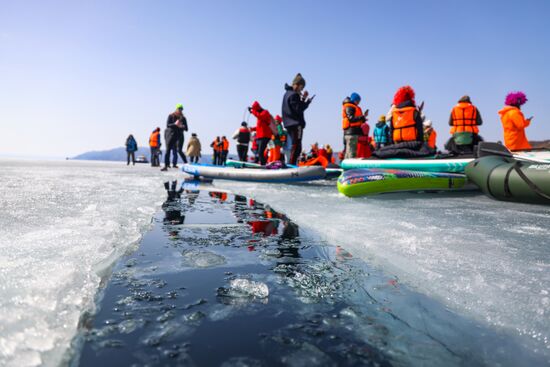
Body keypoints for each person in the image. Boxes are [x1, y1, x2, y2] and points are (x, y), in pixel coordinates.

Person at [281, 73, 314, 165]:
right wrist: (307, 102)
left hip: (289, 123)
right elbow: (299, 109)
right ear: (297, 85)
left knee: (295, 146)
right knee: (296, 147)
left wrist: (303, 98)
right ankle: (291, 166)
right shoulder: (293, 95)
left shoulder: (287, 94)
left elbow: (296, 106)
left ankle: (291, 164)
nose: (302, 90)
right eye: (301, 87)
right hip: (295, 124)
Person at [342, 92, 367, 158]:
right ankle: (351, 167)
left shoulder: (351, 106)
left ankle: (347, 167)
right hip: (351, 132)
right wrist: (361, 117)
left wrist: (363, 118)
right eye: (358, 101)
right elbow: (351, 118)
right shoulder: (350, 106)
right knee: (351, 152)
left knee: (349, 151)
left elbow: (354, 119)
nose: (358, 102)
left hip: (351, 132)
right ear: (355, 100)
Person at [161, 103, 186, 171]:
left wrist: (182, 126)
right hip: (172, 135)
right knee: (168, 149)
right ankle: (166, 165)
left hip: (180, 135)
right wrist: (175, 124)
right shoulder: (171, 116)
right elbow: (168, 125)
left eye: (181, 109)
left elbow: (186, 128)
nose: (180, 110)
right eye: (179, 109)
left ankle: (186, 163)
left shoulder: (183, 118)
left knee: (179, 150)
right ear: (176, 109)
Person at [249, 101, 272, 165]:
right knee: (259, 152)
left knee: (260, 152)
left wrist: (253, 111)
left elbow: (259, 116)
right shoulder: (259, 115)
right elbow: (259, 127)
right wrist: (252, 129)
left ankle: (263, 164)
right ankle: (262, 163)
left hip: (265, 136)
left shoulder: (265, 112)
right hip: (260, 136)